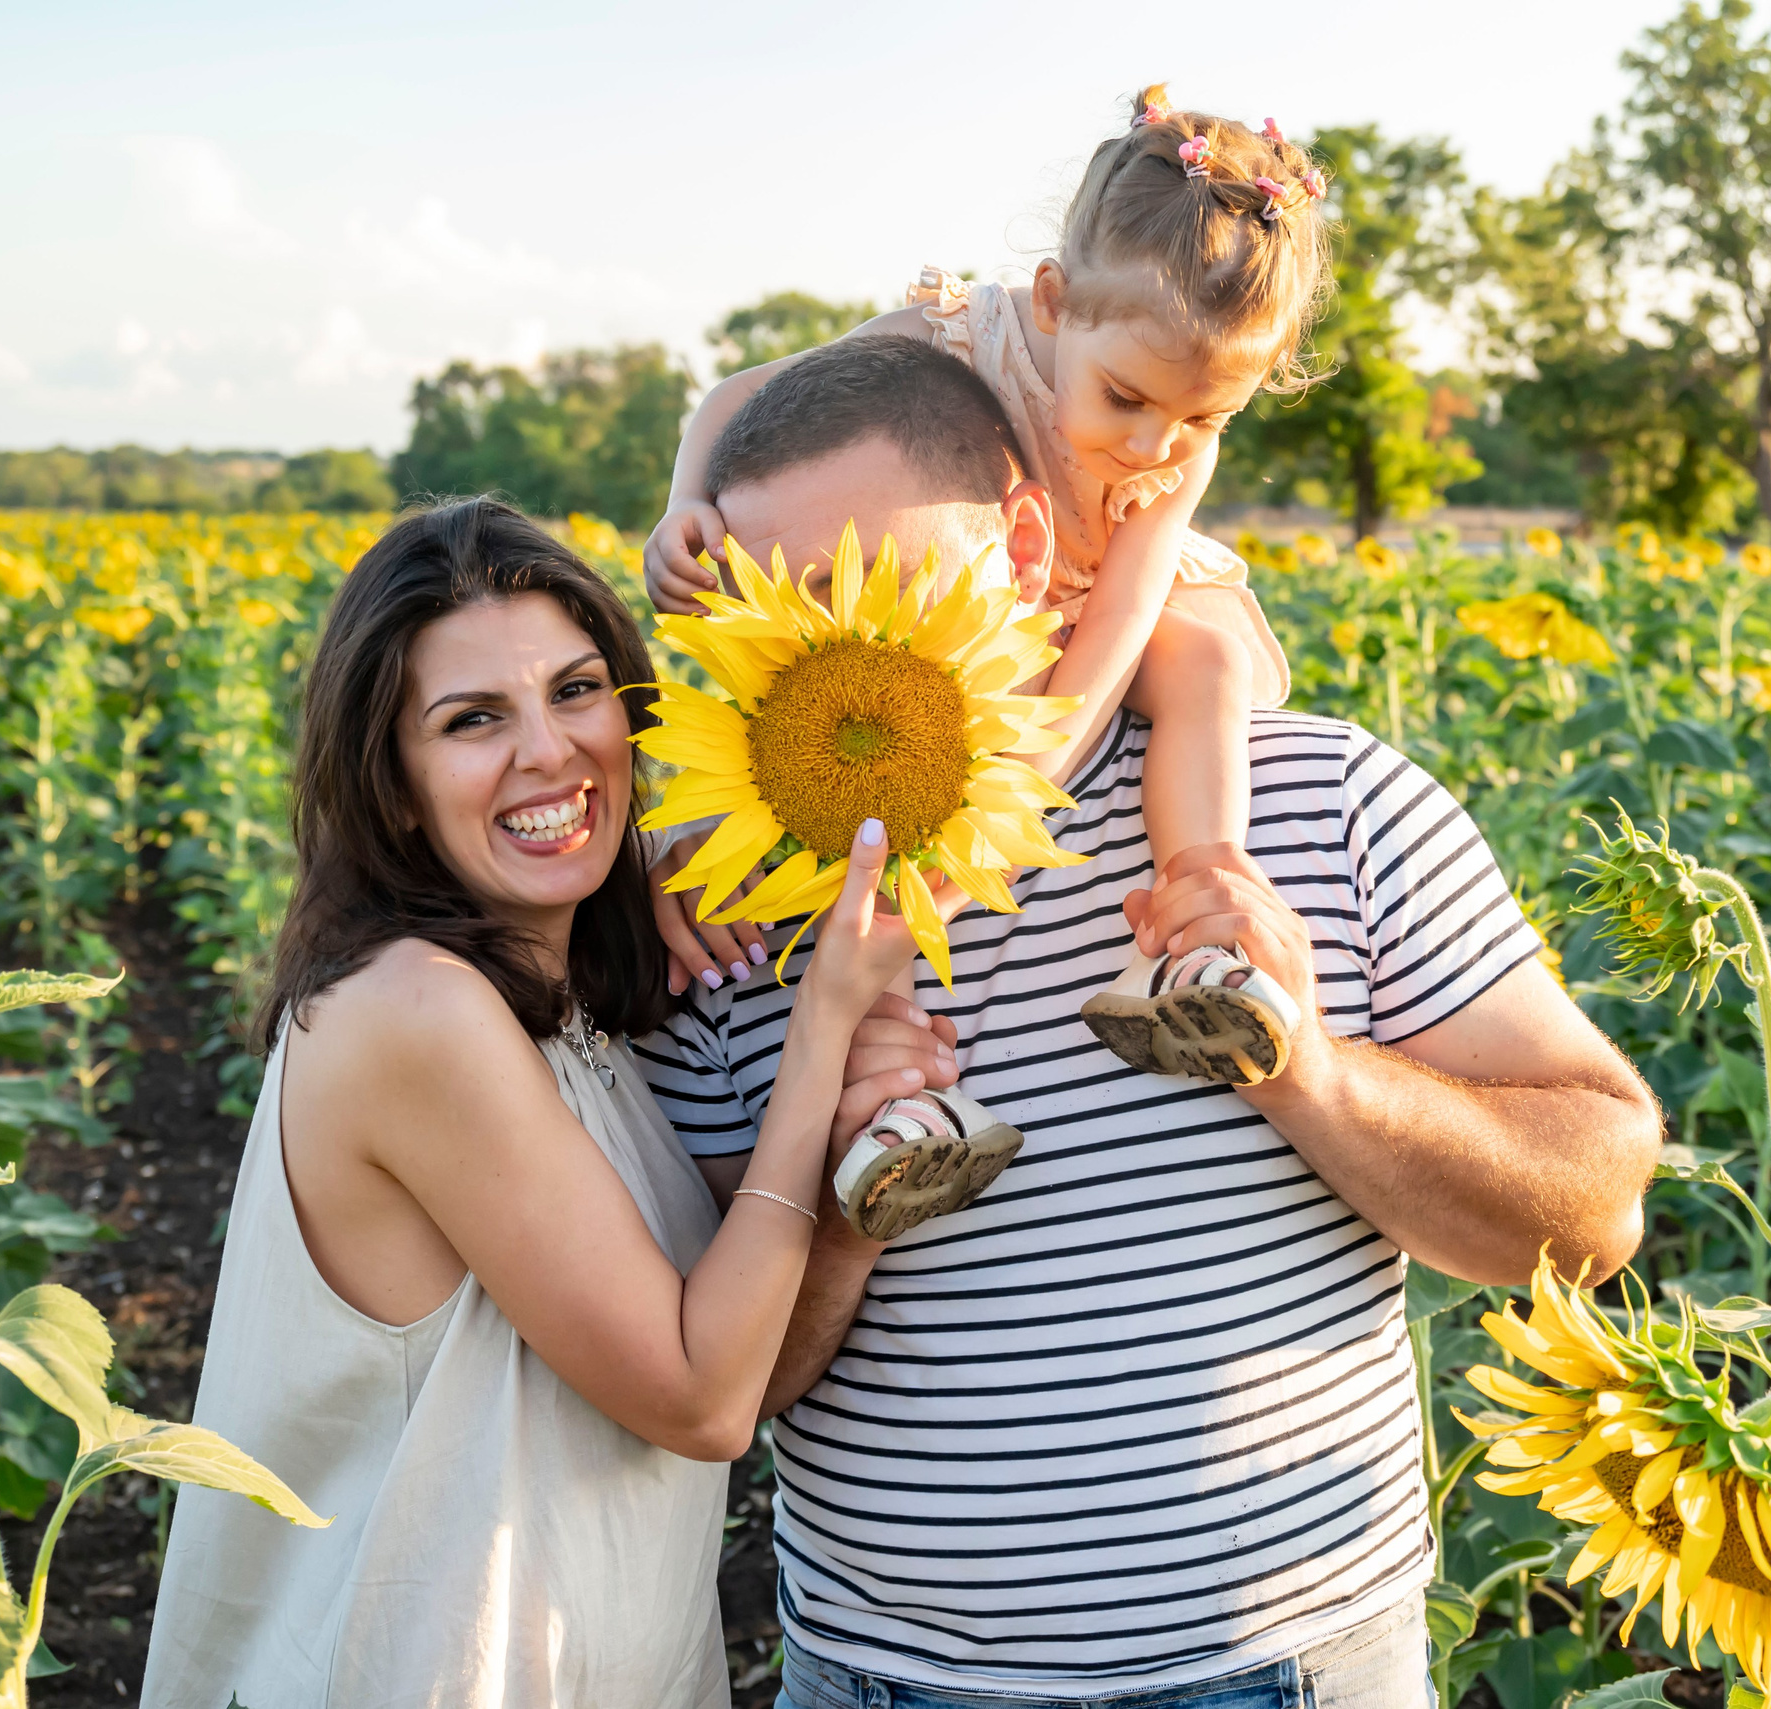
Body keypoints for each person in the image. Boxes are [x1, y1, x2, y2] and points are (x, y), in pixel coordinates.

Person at [632, 335, 1665, 1707]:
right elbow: (725, 1390)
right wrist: (831, 1178)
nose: (837, 649)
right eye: (786, 607)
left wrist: (1309, 1072)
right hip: (894, 1680)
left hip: (1289, 1667)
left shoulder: (1316, 808)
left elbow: (1595, 1210)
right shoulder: (712, 911)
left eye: (869, 582)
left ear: (1018, 547)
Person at [141, 499, 931, 1708]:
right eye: (472, 721)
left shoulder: (562, 1011)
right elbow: (703, 1396)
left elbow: (732, 1338)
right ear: (392, 786)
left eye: (576, 691)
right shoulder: (417, 1014)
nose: (550, 753)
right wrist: (822, 1025)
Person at [646, 88, 1332, 1151]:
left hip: (1089, 608)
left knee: (1202, 656)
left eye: (1204, 418)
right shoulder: (947, 330)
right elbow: (733, 402)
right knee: (854, 805)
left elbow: (1122, 623)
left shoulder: (1173, 453)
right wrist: (686, 502)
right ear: (1054, 301)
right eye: (1125, 399)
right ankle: (890, 1090)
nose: (1155, 446)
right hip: (949, 609)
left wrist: (1012, 786)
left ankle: (1201, 918)